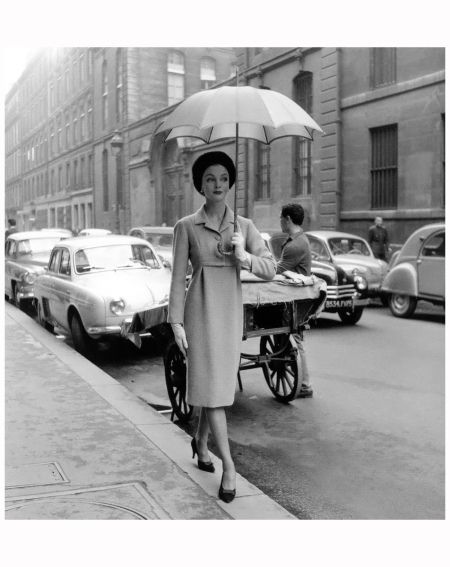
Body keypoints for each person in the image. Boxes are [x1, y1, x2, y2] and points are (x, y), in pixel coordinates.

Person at [168, 151, 276, 503]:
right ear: (200, 184)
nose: (217, 185)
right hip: (198, 310)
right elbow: (176, 279)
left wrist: (244, 257)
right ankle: (228, 466)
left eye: (224, 179)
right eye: (210, 178)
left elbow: (270, 268)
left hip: (229, 311)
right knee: (212, 389)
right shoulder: (186, 226)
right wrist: (176, 321)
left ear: (230, 184)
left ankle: (200, 441)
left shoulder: (244, 227)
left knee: (216, 388)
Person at [277, 203, 313, 399]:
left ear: (288, 219)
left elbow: (277, 270)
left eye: (281, 218)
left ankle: (306, 385)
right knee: (298, 340)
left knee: (297, 341)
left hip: (294, 300)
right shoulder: (299, 240)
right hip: (297, 299)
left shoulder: (294, 245)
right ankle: (305, 383)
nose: (280, 222)